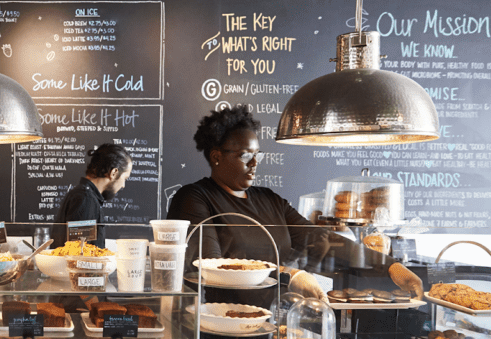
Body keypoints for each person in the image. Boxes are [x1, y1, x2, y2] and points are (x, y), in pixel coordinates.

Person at [166, 105, 422, 299]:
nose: (255, 164)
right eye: (246, 156)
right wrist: (289, 275)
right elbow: (212, 266)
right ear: (216, 156)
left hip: (272, 324)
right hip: (215, 326)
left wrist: (390, 266)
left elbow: (320, 241)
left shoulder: (269, 200)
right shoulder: (194, 198)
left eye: (258, 155)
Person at [50, 143, 132, 249]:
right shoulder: (86, 199)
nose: (123, 186)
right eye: (125, 178)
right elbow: (79, 253)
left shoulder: (83, 195)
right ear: (114, 173)